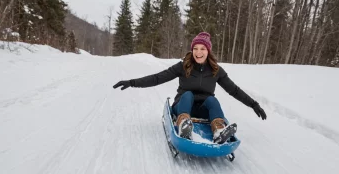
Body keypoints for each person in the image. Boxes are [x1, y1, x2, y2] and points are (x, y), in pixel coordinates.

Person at [113, 32, 267, 144]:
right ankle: (183, 125)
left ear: (208, 51)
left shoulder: (216, 71)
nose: (198, 52)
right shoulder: (183, 66)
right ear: (192, 50)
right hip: (183, 107)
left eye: (203, 49)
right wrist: (132, 82)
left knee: (212, 100)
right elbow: (158, 78)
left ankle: (219, 130)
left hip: (202, 110)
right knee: (188, 94)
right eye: (196, 48)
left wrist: (254, 104)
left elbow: (234, 90)